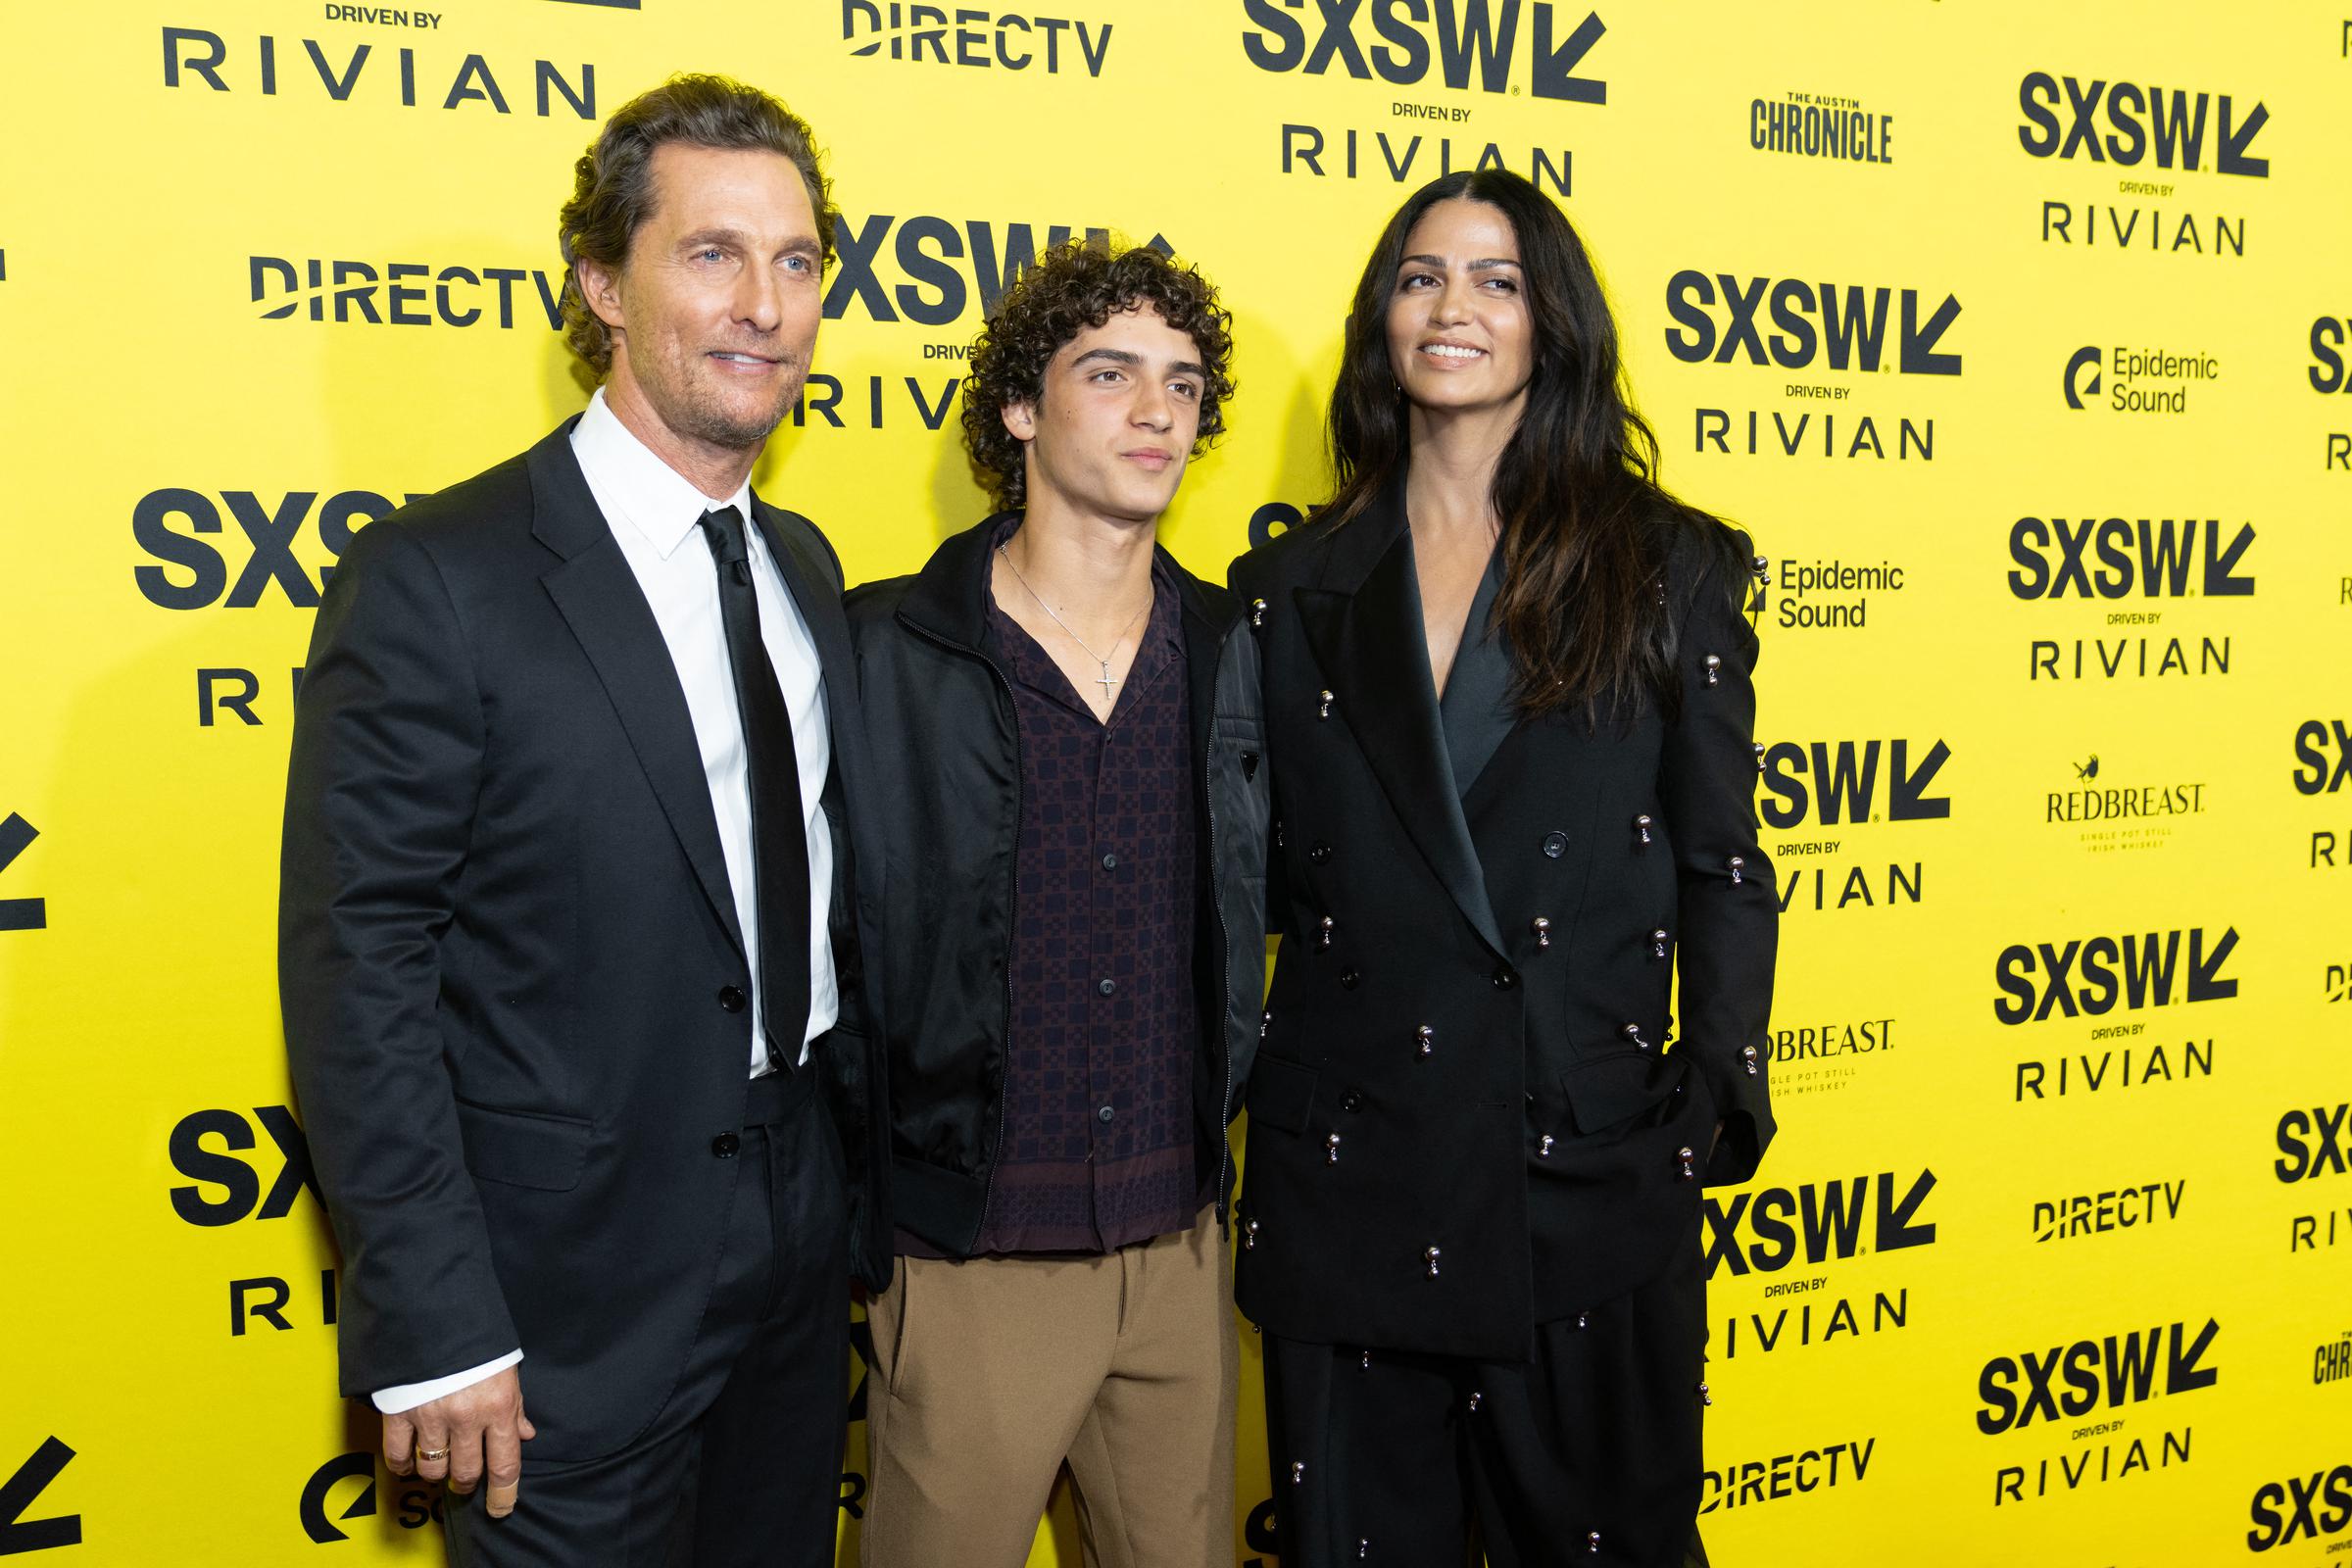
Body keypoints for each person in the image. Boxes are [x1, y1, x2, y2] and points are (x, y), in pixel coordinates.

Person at [277, 74, 889, 1566]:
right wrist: (430, 1323)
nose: (765, 305)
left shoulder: (805, 566)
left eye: (798, 262)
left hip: (799, 1257)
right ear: (602, 284)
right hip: (562, 1309)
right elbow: (361, 967)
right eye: (712, 254)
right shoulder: (438, 579)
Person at [1227, 169, 1777, 1567]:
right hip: (1355, 1178)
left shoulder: (1668, 566)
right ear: (1382, 321)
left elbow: (1722, 861)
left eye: (1495, 278)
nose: (1452, 306)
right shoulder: (1293, 588)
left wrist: (1701, 1103)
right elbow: (1251, 884)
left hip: (1581, 1182)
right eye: (1420, 277)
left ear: (1552, 322)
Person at [843, 240, 1267, 1568]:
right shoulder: (882, 651)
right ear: (1020, 408)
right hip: (971, 1259)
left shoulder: (1234, 650)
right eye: (1112, 373)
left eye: (1185, 383)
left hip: (1184, 1255)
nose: (1158, 412)